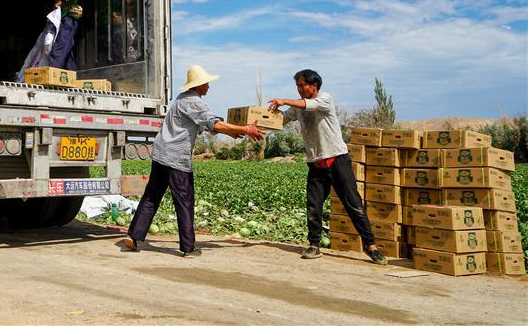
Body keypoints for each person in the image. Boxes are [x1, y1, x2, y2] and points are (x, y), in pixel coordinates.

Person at [124, 65, 264, 257]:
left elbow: (207, 125)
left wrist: (233, 132)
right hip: (176, 158)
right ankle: (188, 247)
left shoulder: (182, 99)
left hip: (161, 154)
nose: (208, 86)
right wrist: (246, 129)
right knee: (184, 200)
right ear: (199, 85)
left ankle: (134, 236)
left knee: (152, 196)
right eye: (206, 83)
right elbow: (213, 122)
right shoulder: (195, 103)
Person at [268, 69, 387, 265]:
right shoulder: (298, 106)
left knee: (353, 204)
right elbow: (283, 119)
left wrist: (285, 100)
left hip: (336, 160)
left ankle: (371, 246)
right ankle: (314, 245)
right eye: (297, 86)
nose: (299, 89)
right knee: (313, 206)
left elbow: (309, 105)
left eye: (301, 85)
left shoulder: (325, 99)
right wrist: (263, 119)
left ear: (313, 86)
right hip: (316, 163)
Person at [37, 0, 84, 70]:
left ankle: (52, 72)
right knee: (66, 49)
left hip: (69, 19)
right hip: (60, 20)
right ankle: (71, 77)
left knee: (59, 48)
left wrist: (62, 0)